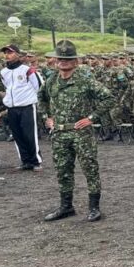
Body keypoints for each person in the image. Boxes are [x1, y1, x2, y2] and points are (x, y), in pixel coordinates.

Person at [37, 41, 114, 222]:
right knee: (63, 170)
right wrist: (46, 117)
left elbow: (109, 98)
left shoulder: (85, 80)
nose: (63, 62)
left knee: (90, 169)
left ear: (75, 61)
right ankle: (66, 206)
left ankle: (94, 207)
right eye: (60, 58)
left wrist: (92, 118)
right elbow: (41, 98)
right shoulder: (51, 81)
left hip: (81, 133)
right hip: (60, 133)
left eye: (67, 59)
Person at [0, 44, 43, 170]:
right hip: (12, 108)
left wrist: (33, 100)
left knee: (29, 134)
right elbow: (7, 87)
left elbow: (38, 87)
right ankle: (25, 161)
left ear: (18, 54)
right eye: (6, 53)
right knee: (17, 135)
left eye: (10, 52)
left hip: (27, 106)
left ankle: (36, 161)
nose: (7, 55)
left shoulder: (27, 70)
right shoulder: (4, 72)